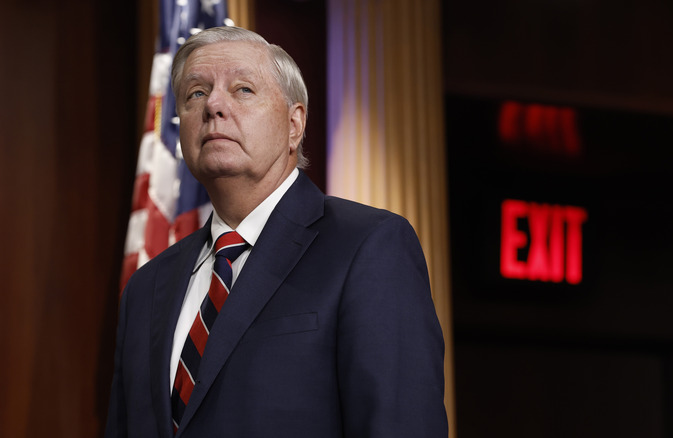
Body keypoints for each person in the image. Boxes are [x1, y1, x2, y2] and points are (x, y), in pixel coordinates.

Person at [105, 26, 447, 438]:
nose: (214, 104)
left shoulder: (369, 246)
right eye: (196, 93)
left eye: (243, 89)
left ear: (294, 124)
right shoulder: (146, 287)